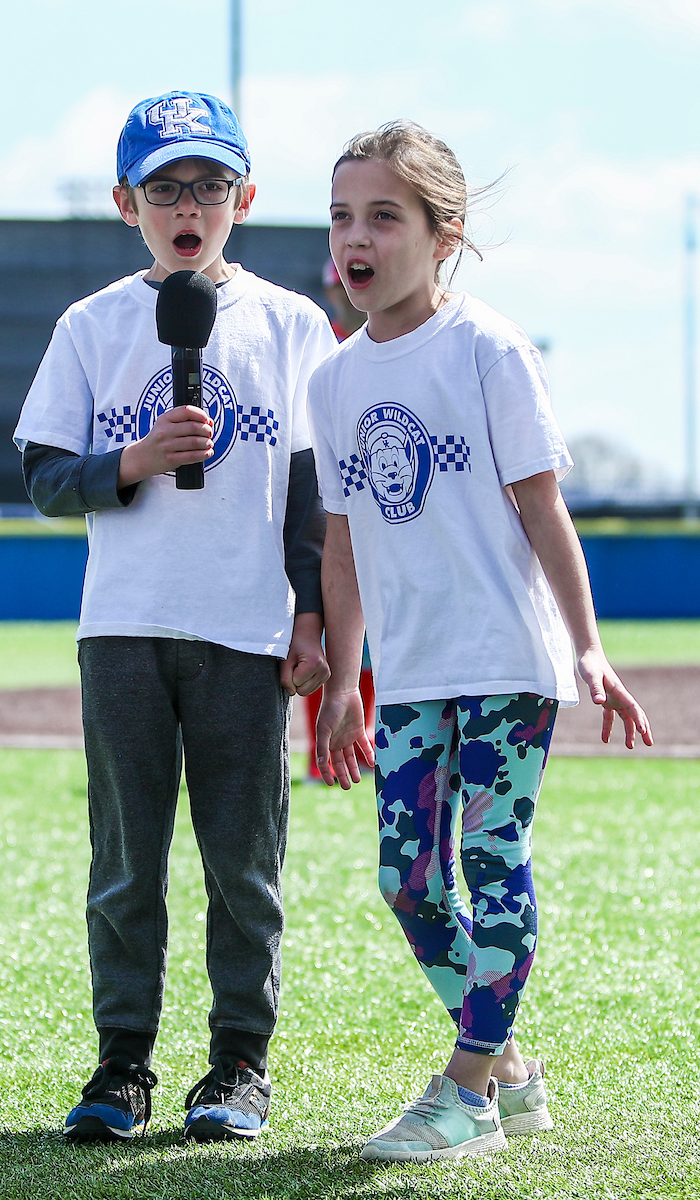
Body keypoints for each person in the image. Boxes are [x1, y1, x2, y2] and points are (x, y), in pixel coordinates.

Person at [307, 120, 653, 1164]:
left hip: (505, 661)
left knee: (492, 857)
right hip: (408, 675)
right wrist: (340, 682)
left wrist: (584, 648)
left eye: (382, 216)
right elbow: (341, 546)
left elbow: (543, 508)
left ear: (442, 233)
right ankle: (509, 1067)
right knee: (406, 880)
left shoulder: (486, 348)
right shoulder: (331, 382)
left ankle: (462, 1093)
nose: (354, 238)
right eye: (340, 217)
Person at [13, 90, 336, 1144]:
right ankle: (122, 1067)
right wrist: (132, 463)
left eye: (207, 184)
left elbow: (313, 496)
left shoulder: (292, 326)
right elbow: (46, 478)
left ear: (244, 196)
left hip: (245, 634)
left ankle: (237, 1064)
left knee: (244, 862)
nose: (186, 205)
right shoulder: (90, 324)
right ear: (125, 202)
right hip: (122, 631)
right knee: (125, 863)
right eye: (164, 187)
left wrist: (313, 618)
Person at [303, 261, 373, 781]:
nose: (341, 291)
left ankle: (364, 744)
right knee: (324, 639)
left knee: (368, 645)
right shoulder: (321, 344)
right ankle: (320, 754)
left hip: (376, 508)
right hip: (324, 505)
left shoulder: (391, 340)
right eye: (334, 282)